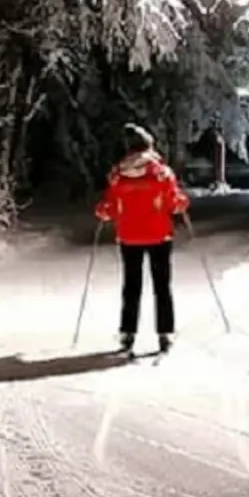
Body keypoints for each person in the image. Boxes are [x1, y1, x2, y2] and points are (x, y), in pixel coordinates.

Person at [95, 125, 190, 354]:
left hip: (129, 236)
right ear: (149, 146)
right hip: (159, 235)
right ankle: (165, 332)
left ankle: (128, 333)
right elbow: (174, 202)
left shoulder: (118, 174)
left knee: (131, 286)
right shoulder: (162, 173)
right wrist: (181, 204)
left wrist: (103, 211)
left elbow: (110, 206)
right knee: (162, 286)